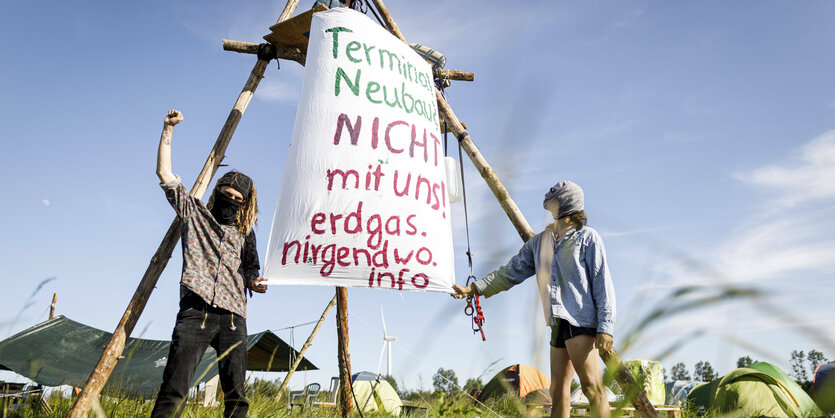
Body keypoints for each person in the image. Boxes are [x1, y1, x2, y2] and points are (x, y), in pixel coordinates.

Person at [452, 181, 615, 418]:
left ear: (567, 203)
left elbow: (602, 285)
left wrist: (606, 327)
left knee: (591, 388)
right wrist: (474, 289)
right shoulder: (540, 243)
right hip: (557, 325)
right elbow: (509, 272)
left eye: (555, 197)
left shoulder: (588, 238)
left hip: (581, 323)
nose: (549, 200)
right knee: (557, 391)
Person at [151, 109, 268, 417]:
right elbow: (165, 175)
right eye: (226, 194)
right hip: (195, 313)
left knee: (236, 397)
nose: (231, 201)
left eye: (237, 199)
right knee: (174, 389)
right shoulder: (195, 215)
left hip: (233, 318)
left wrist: (255, 282)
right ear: (216, 192)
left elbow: (250, 270)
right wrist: (168, 129)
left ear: (245, 203)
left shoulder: (245, 232)